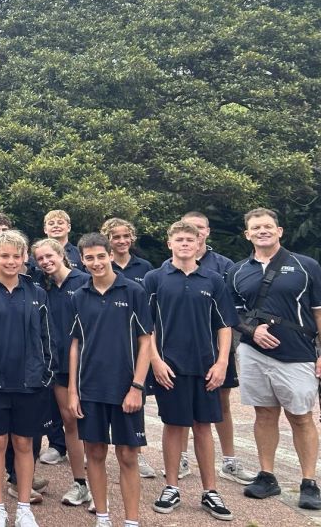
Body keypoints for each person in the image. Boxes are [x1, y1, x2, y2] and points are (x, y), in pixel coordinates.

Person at [228, 208, 321, 509]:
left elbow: (318, 312)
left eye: (268, 226)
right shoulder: (237, 271)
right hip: (254, 353)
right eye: (256, 227)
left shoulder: (306, 266)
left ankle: (309, 482)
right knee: (264, 414)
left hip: (297, 353)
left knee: (301, 417)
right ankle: (267, 476)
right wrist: (252, 331)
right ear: (247, 234)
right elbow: (232, 314)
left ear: (279, 231)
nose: (262, 231)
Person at [145, 221, 236, 520]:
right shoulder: (155, 278)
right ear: (169, 243)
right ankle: (171, 487)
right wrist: (155, 361)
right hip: (169, 366)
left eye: (190, 239)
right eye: (179, 239)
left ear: (199, 244)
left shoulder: (213, 280)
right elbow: (146, 326)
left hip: (205, 366)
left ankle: (210, 491)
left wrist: (222, 362)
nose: (185, 244)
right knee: (173, 425)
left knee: (203, 426)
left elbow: (224, 325)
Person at [0, 230, 53, 527]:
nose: (11, 261)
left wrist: (45, 374)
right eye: (4, 255)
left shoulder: (37, 293)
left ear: (25, 257)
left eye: (17, 256)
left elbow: (48, 339)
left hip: (29, 383)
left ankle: (24, 508)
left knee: (25, 443)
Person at [68, 232, 154, 527]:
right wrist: (73, 391)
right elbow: (75, 344)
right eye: (89, 258)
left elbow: (146, 341)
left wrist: (137, 387)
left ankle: (131, 521)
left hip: (125, 388)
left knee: (128, 455)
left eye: (101, 256)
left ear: (110, 256)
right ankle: (102, 518)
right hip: (90, 388)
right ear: (82, 260)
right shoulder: (79, 296)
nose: (96, 263)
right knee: (94, 452)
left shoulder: (133, 291)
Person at [178, 211, 253, 486]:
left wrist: (223, 355)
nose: (194, 232)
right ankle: (181, 457)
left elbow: (231, 312)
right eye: (189, 227)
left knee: (221, 402)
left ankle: (229, 460)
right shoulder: (168, 265)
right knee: (180, 405)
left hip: (216, 346)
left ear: (207, 231)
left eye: (199, 227)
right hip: (180, 348)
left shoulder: (224, 265)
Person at [30, 238, 91, 507]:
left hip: (87, 365)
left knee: (92, 426)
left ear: (61, 254)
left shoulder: (84, 281)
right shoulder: (42, 288)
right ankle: (81, 484)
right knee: (71, 422)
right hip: (57, 367)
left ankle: (97, 487)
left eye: (49, 256)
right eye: (40, 259)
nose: (45, 262)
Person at [101, 218, 152, 284]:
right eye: (116, 237)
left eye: (126, 236)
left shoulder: (145, 266)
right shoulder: (101, 266)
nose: (122, 241)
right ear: (107, 239)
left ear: (131, 238)